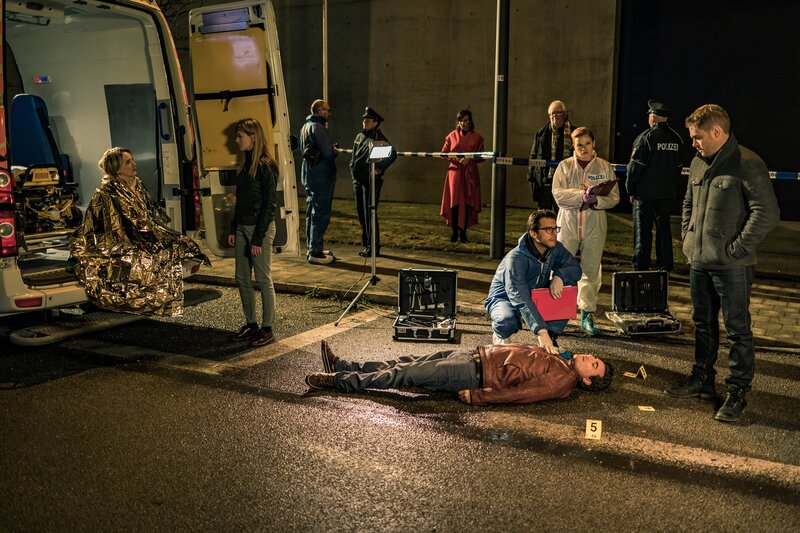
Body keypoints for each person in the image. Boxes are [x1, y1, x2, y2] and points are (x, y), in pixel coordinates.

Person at [665, 104, 779, 423]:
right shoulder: (697, 163)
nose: (693, 143)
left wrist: (736, 249)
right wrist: (688, 237)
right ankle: (702, 379)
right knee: (703, 323)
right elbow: (688, 203)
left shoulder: (747, 163)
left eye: (697, 137)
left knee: (737, 329)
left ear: (717, 131)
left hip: (732, 266)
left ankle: (737, 391)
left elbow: (767, 213)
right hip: (699, 261)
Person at [70, 147, 209, 316]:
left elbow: (147, 214)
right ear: (116, 167)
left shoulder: (136, 183)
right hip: (118, 241)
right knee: (151, 255)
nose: (134, 164)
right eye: (128, 162)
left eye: (132, 160)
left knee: (181, 243)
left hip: (140, 232)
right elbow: (113, 227)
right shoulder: (106, 191)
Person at [305, 341, 613, 405]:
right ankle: (345, 366)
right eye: (595, 358)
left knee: (404, 374)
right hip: (474, 356)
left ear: (587, 380)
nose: (590, 358)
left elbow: (523, 393)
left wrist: (480, 397)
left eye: (594, 364)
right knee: (404, 362)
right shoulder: (563, 362)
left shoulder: (564, 379)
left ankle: (339, 381)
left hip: (473, 373)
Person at [552, 127, 619, 336]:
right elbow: (558, 195)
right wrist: (580, 196)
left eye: (587, 143)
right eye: (579, 145)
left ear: (593, 144)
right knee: (561, 267)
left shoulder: (604, 166)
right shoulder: (564, 166)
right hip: (568, 223)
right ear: (573, 146)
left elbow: (614, 197)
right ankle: (557, 313)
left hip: (594, 223)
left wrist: (597, 200)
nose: (584, 148)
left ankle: (587, 314)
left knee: (591, 269)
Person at [485, 210, 581, 351]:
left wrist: (560, 276)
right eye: (548, 229)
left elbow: (574, 267)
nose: (554, 233)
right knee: (507, 320)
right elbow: (520, 297)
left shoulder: (555, 248)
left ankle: (551, 338)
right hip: (505, 298)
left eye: (555, 228)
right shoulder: (515, 259)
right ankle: (501, 337)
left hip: (535, 294)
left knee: (568, 283)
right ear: (533, 233)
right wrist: (541, 331)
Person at [228, 118, 280, 347]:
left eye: (240, 136)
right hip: (242, 227)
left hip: (260, 229)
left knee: (262, 279)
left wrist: (258, 237)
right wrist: (234, 227)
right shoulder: (244, 166)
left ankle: (267, 329)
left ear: (253, 137)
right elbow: (240, 202)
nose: (236, 140)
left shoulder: (267, 166)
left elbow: (269, 205)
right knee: (242, 278)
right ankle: (252, 324)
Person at [627, 99, 683, 271]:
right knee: (664, 229)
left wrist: (631, 190)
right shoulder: (676, 139)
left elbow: (634, 167)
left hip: (645, 194)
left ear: (653, 117)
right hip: (667, 193)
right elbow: (678, 168)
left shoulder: (646, 137)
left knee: (642, 231)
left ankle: (641, 266)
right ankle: (664, 266)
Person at [349, 106, 397, 258]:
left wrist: (379, 169)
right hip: (358, 181)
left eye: (368, 120)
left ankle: (373, 247)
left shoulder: (378, 138)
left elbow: (392, 153)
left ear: (376, 123)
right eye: (364, 119)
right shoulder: (360, 136)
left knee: (370, 213)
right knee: (361, 213)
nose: (365, 122)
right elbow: (355, 156)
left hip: (370, 181)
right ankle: (367, 244)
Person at [299, 99, 338, 265]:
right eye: (328, 110)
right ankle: (315, 251)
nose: (329, 113)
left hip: (309, 174)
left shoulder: (305, 127)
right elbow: (328, 153)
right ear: (320, 110)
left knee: (311, 212)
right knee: (320, 213)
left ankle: (312, 247)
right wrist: (335, 151)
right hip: (321, 176)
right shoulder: (319, 127)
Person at [440, 109, 484, 243]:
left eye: (465, 120)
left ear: (470, 121)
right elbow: (443, 153)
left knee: (467, 203)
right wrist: (458, 159)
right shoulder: (451, 136)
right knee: (454, 203)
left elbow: (482, 156)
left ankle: (463, 232)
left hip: (470, 174)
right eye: (460, 121)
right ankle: (454, 232)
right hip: (455, 173)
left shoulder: (477, 138)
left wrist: (470, 159)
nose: (462, 123)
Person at [527, 100, 574, 210]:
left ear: (565, 114)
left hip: (566, 182)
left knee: (562, 214)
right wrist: (532, 177)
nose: (554, 116)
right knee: (543, 215)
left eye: (558, 112)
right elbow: (533, 156)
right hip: (544, 182)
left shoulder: (574, 133)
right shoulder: (541, 133)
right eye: (552, 113)